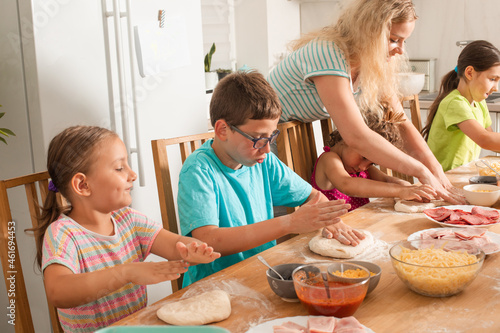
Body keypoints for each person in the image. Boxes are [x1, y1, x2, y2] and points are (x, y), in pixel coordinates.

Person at [177, 70, 364, 287]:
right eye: (257, 138)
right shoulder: (198, 170)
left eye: (271, 136)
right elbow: (208, 240)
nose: (267, 148)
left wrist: (334, 223)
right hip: (213, 285)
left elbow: (314, 198)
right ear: (222, 130)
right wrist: (289, 223)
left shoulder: (263, 161)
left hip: (260, 273)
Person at [27, 126, 221, 332]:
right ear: (82, 185)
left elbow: (174, 245)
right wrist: (126, 273)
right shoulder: (63, 234)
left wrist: (193, 250)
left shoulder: (128, 219)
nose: (133, 174)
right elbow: (58, 292)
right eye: (120, 168)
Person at [268, 0, 462, 204]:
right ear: (369, 32)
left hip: (280, 143)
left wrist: (438, 174)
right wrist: (421, 171)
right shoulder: (327, 52)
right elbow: (356, 136)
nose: (401, 50)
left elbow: (400, 122)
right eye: (394, 39)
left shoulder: (371, 63)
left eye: (404, 41)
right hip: (261, 144)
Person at [312, 109, 436, 211]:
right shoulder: (329, 159)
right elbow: (346, 184)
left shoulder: (361, 168)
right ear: (348, 137)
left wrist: (407, 187)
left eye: (372, 163)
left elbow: (386, 179)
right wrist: (400, 191)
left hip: (357, 224)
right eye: (364, 157)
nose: (363, 167)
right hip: (331, 230)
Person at [422, 40, 500, 171]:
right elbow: (484, 139)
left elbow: (492, 140)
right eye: (492, 79)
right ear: (469, 73)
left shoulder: (479, 102)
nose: (496, 88)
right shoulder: (454, 103)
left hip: (463, 174)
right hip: (444, 179)